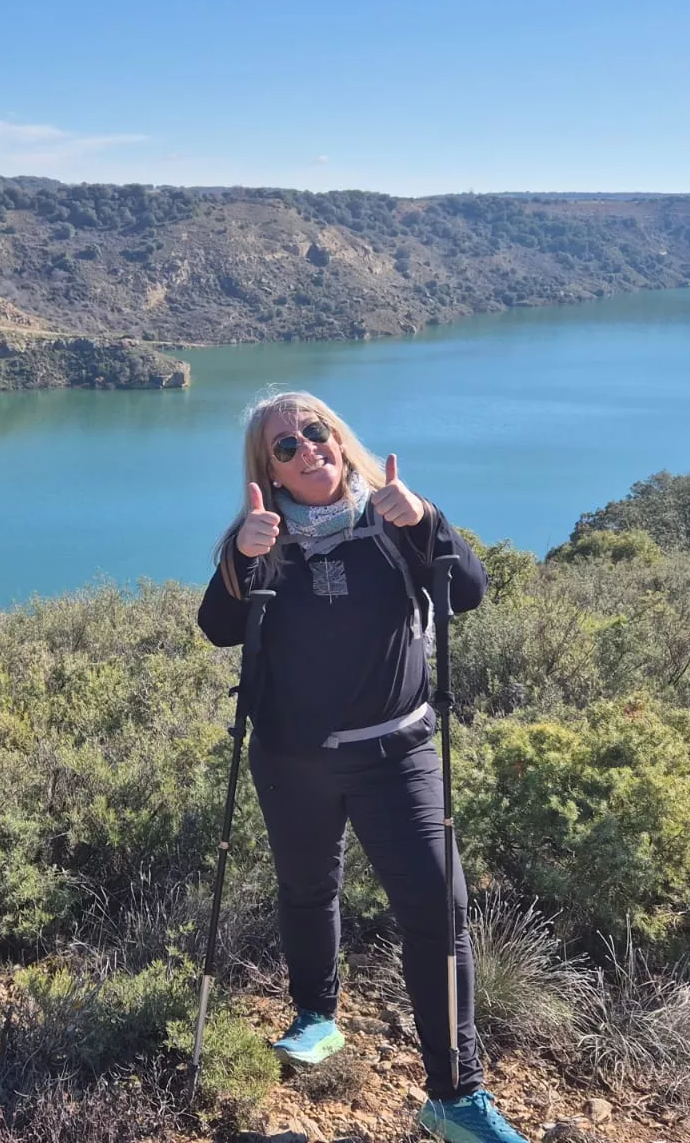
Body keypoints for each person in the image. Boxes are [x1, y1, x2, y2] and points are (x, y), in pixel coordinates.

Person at [196, 391, 526, 1143]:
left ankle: (455, 1095)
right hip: (293, 760)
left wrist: (430, 522)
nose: (307, 448)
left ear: (340, 441)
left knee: (439, 915)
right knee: (308, 891)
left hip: (398, 754)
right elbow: (216, 628)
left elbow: (466, 593)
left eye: (316, 433)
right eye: (286, 446)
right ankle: (316, 1016)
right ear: (268, 469)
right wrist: (242, 557)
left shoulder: (396, 519)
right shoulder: (260, 538)